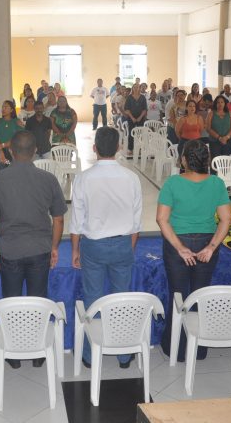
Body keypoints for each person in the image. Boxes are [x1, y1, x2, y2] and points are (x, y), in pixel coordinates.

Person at [0, 131, 67, 368]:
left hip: (9, 251)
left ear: (11, 151)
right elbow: (58, 219)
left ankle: (13, 354)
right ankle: (39, 355)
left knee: (11, 302)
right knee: (39, 301)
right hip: (40, 249)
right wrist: (54, 247)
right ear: (35, 151)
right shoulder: (48, 179)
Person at [70, 127, 142, 368]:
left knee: (93, 299)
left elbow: (77, 221)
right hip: (123, 244)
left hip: (93, 247)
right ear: (119, 147)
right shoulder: (131, 178)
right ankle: (123, 355)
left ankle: (91, 355)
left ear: (94, 148)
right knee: (121, 299)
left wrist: (75, 251)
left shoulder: (83, 178)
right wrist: (129, 249)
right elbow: (136, 223)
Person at [156, 139, 231, 361]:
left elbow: (162, 219)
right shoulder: (217, 183)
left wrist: (180, 248)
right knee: (200, 296)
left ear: (184, 160)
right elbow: (226, 220)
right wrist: (211, 247)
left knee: (177, 296)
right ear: (207, 160)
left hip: (178, 244)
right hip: (207, 244)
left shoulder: (172, 183)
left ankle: (176, 349)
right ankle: (198, 349)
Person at [0, 100, 24, 170]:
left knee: (12, 171)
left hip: (13, 152)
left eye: (6, 107)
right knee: (2, 172)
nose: (3, 109)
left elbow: (18, 138)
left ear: (11, 110)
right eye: (2, 107)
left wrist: (3, 145)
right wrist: (1, 152)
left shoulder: (17, 122)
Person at [206, 95, 231, 161]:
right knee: (215, 161)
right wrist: (219, 138)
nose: (220, 104)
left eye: (222, 102)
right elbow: (208, 128)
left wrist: (226, 137)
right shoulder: (211, 114)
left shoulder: (230, 114)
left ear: (225, 103)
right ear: (215, 104)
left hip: (227, 141)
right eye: (218, 102)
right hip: (214, 141)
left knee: (226, 162)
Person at [123, 82, 147, 154]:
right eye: (135, 87)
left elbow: (144, 109)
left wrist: (140, 117)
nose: (136, 89)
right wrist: (132, 117)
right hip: (131, 118)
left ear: (139, 88)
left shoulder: (143, 97)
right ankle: (130, 148)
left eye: (137, 87)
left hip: (140, 118)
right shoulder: (129, 97)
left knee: (140, 133)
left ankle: (139, 148)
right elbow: (127, 109)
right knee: (131, 133)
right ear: (132, 89)